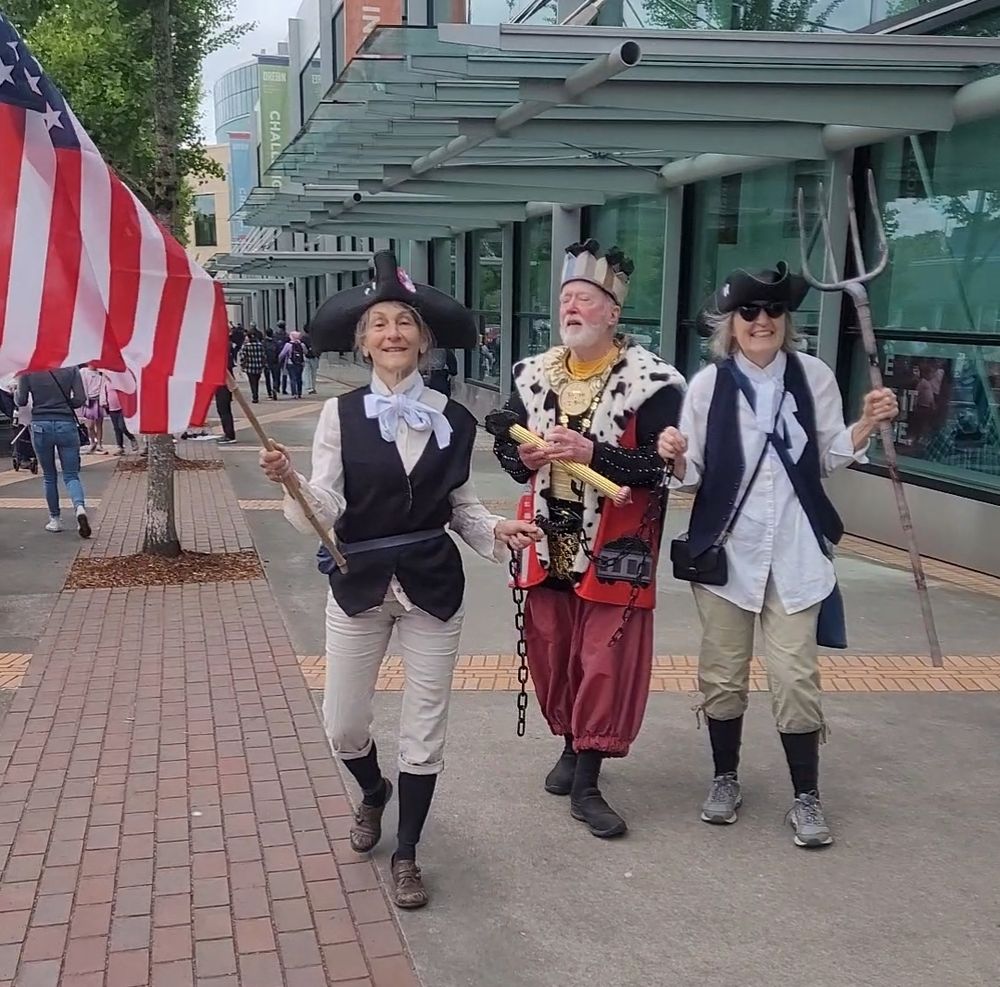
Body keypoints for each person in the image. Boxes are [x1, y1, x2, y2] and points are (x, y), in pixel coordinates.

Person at [260, 251, 540, 908]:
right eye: (380, 324)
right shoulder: (338, 415)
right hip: (358, 580)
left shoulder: (455, 416)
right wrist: (293, 484)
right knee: (342, 724)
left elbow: (460, 506)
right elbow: (326, 508)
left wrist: (496, 530)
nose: (393, 333)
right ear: (364, 342)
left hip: (432, 584)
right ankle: (372, 790)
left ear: (423, 339)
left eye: (404, 322)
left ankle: (408, 851)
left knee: (425, 725)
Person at [656, 262, 898, 849]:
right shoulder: (708, 385)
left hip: (796, 553)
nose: (761, 320)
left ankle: (806, 795)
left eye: (773, 310)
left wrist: (866, 424)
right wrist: (674, 454)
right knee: (722, 676)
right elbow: (692, 474)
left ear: (786, 320)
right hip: (726, 557)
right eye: (749, 311)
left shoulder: (813, 376)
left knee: (795, 679)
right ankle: (725, 778)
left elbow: (827, 456)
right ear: (731, 323)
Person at [492, 239, 685, 838]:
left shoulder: (654, 382)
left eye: (585, 299)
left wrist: (593, 453)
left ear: (613, 312)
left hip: (617, 544)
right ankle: (571, 745)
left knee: (604, 658)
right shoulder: (532, 375)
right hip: (547, 539)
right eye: (566, 299)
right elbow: (506, 448)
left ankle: (589, 779)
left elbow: (659, 469)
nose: (571, 308)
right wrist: (522, 454)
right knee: (553, 647)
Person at [16, 367, 92, 537]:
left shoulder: (29, 369)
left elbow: (21, 400)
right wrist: (65, 403)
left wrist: (16, 392)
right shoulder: (71, 368)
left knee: (49, 476)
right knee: (71, 475)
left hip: (41, 425)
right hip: (66, 424)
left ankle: (55, 520)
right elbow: (80, 399)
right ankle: (79, 508)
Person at [98, 370, 140, 455]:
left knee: (122, 426)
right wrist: (103, 402)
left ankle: (132, 438)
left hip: (122, 407)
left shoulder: (119, 382)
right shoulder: (105, 382)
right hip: (111, 408)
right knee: (116, 428)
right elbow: (103, 392)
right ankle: (120, 447)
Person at [80, 365, 106, 453]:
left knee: (99, 424)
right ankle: (92, 442)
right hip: (89, 400)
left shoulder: (101, 372)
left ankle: (99, 444)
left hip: (99, 399)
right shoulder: (83, 372)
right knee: (90, 425)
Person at [215, 347, 237, 445]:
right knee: (223, 410)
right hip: (223, 385)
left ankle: (229, 435)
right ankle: (228, 433)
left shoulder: (224, 360)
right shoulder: (226, 357)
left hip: (224, 385)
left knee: (224, 410)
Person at [239, 329, 267, 403]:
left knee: (252, 382)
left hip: (249, 366)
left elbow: (242, 356)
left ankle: (254, 396)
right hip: (258, 366)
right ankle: (256, 394)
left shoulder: (246, 346)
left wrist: (242, 365)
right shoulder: (260, 345)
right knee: (256, 381)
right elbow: (263, 356)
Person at [280, 331, 307, 399]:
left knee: (292, 378)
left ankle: (294, 393)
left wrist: (279, 359)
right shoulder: (302, 344)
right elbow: (306, 352)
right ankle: (299, 393)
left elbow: (282, 354)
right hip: (300, 363)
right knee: (299, 378)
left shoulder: (288, 345)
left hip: (290, 363)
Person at [263, 328, 281, 400]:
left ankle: (269, 393)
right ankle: (275, 388)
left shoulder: (264, 342)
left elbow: (263, 352)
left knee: (267, 378)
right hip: (275, 361)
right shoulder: (275, 342)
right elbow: (279, 351)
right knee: (275, 377)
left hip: (267, 362)